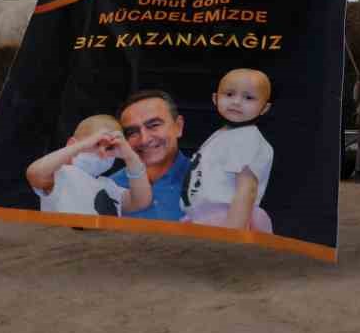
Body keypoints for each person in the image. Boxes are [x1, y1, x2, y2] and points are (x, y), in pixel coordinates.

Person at [182, 68, 274, 232]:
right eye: (229, 94)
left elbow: (247, 188)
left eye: (249, 97)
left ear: (264, 108)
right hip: (202, 217)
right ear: (215, 98)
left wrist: (232, 234)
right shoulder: (225, 134)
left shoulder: (247, 138)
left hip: (228, 219)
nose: (236, 102)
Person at [25, 114, 152, 216]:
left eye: (109, 148)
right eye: (96, 144)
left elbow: (141, 202)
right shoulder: (61, 174)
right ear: (72, 144)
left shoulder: (110, 186)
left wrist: (131, 157)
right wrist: (82, 146)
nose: (102, 152)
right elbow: (35, 173)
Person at [118, 90, 192, 220]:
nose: (144, 139)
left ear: (178, 126)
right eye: (132, 132)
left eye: (153, 125)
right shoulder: (111, 186)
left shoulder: (207, 180)